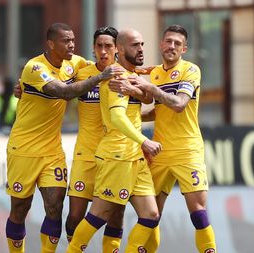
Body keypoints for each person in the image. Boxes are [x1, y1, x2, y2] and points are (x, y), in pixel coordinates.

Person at [5, 22, 123, 253]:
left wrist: (137, 70)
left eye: (73, 40)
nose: (71, 45)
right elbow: (64, 91)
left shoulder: (75, 63)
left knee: (55, 205)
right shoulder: (34, 67)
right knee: (20, 207)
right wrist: (100, 77)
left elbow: (101, 65)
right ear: (51, 44)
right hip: (23, 148)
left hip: (52, 150)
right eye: (65, 41)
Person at [108, 24, 217, 253]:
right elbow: (159, 109)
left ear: (184, 49)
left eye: (177, 43)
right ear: (161, 44)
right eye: (168, 41)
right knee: (150, 215)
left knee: (198, 212)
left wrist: (151, 89)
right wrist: (129, 115)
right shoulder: (155, 72)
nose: (172, 46)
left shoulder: (190, 70)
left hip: (188, 150)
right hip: (159, 150)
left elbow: (178, 104)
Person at [66, 28, 162, 253]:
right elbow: (118, 117)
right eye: (135, 45)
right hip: (116, 153)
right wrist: (144, 141)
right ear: (120, 49)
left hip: (134, 155)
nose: (140, 49)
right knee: (95, 215)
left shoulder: (132, 76)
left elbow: (143, 102)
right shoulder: (115, 76)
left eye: (141, 44)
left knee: (151, 215)